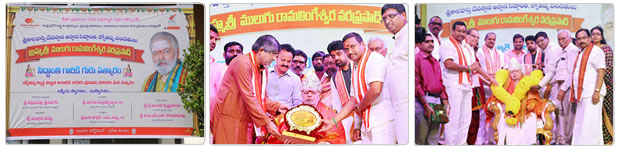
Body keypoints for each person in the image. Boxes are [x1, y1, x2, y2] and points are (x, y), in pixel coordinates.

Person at [212, 35, 289, 144]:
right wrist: (266, 122)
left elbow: (262, 98)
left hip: (248, 122)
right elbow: (248, 96)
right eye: (273, 54)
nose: (274, 59)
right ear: (261, 51)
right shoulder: (242, 63)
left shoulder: (263, 69)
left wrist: (277, 107)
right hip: (230, 120)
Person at [322, 32, 395, 144]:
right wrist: (332, 122)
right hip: (366, 123)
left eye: (352, 46)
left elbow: (375, 90)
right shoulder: (356, 65)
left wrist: (359, 107)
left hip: (382, 121)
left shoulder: (375, 59)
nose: (350, 51)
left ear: (362, 44)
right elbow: (353, 100)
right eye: (346, 49)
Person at [265, 72, 346, 144]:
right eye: (306, 92)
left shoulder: (330, 115)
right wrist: (284, 142)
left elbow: (338, 138)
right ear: (301, 94)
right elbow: (276, 136)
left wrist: (326, 144)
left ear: (319, 94)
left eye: (313, 92)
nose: (309, 95)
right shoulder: (293, 113)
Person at [439, 21, 481, 145]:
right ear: (453, 31)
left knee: (466, 119)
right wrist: (468, 68)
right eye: (459, 31)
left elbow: (474, 67)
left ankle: (461, 144)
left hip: (467, 86)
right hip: (454, 86)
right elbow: (448, 64)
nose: (461, 34)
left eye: (464, 31)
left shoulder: (466, 47)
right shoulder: (447, 44)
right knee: (453, 119)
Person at [535, 29, 579, 145]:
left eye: (563, 39)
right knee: (560, 113)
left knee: (567, 114)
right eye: (559, 39)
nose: (540, 44)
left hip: (565, 85)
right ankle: (562, 138)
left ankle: (567, 140)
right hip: (558, 84)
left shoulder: (566, 50)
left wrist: (539, 86)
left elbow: (569, 72)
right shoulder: (556, 50)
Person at [571, 28, 606, 145]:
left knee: (590, 124)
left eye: (584, 38)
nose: (581, 41)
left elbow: (601, 71)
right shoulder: (581, 53)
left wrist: (597, 91)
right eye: (579, 39)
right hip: (582, 94)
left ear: (590, 38)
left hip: (592, 93)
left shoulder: (596, 51)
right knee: (582, 124)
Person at [381, 4, 409, 144]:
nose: (387, 21)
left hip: (407, 102)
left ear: (403, 15)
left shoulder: (409, 36)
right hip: (398, 103)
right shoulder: (399, 38)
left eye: (391, 16)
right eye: (384, 19)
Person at [415, 28, 448, 145]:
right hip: (423, 100)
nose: (430, 44)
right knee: (420, 138)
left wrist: (446, 103)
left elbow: (440, 83)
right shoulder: (417, 59)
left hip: (437, 100)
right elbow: (416, 84)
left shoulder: (435, 61)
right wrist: (425, 105)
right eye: (427, 41)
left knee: (434, 137)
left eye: (432, 42)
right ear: (419, 44)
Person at [328, 40, 362, 144]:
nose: (336, 58)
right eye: (333, 56)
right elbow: (337, 106)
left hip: (366, 113)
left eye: (339, 53)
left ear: (346, 51)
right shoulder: (334, 78)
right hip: (347, 118)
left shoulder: (360, 67)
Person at [475, 32, 504, 145]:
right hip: (484, 85)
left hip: (496, 87)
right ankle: (481, 139)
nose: (491, 41)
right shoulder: (480, 52)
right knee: (483, 113)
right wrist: (488, 80)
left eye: (493, 39)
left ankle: (493, 138)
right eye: (489, 39)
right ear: (485, 40)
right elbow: (479, 70)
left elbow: (502, 69)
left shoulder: (499, 53)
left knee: (496, 112)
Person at [591, 26, 614, 144]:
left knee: (604, 111)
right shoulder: (588, 49)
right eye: (593, 34)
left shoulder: (606, 49)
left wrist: (597, 77)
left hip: (605, 84)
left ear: (601, 36)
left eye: (597, 34)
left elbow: (609, 67)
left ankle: (607, 137)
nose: (595, 36)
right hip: (589, 85)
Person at [267, 44, 303, 108]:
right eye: (283, 60)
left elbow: (298, 102)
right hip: (265, 115)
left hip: (285, 115)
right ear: (276, 58)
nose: (285, 64)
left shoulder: (295, 79)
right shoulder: (265, 74)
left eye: (289, 61)